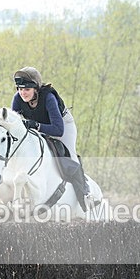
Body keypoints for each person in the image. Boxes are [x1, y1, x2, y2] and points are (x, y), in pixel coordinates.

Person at [11, 67, 89, 201]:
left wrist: (37, 126)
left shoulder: (48, 97)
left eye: (27, 89)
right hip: (36, 126)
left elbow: (58, 130)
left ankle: (86, 194)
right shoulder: (17, 99)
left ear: (36, 88)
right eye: (20, 89)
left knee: (69, 155)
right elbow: (14, 126)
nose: (23, 93)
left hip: (62, 125)